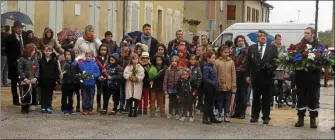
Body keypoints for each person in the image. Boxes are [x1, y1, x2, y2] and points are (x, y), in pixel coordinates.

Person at [244, 30, 278, 124]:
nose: (262, 37)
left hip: (267, 76)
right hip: (256, 77)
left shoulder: (272, 48)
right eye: (260, 36)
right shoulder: (252, 48)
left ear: (266, 38)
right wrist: (247, 75)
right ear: (257, 38)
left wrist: (272, 67)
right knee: (255, 97)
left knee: (266, 98)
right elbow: (248, 63)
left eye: (264, 36)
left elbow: (276, 61)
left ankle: (266, 117)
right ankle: (254, 116)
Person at [294, 27, 322, 128]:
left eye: (308, 33)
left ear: (313, 34)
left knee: (313, 98)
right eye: (305, 33)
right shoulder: (298, 45)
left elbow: (322, 60)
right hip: (301, 77)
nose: (305, 34)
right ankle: (300, 119)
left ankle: (312, 120)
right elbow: (294, 59)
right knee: (300, 98)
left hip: (313, 77)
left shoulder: (319, 46)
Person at [5, 21, 28, 106]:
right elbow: (7, 51)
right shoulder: (10, 38)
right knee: (14, 82)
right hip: (13, 63)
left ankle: (24, 98)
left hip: (23, 63)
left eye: (21, 27)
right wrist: (13, 60)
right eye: (18, 27)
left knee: (23, 81)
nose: (20, 29)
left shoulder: (24, 37)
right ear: (14, 28)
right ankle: (15, 100)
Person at [214, 46, 236, 122]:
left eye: (228, 52)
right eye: (225, 52)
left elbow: (233, 73)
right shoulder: (216, 62)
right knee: (220, 100)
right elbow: (215, 74)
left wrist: (233, 84)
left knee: (227, 100)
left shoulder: (231, 62)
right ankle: (220, 113)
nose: (227, 54)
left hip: (228, 85)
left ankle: (226, 113)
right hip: (220, 85)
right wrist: (216, 83)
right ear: (221, 52)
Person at [17, 44, 39, 113]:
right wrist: (25, 79)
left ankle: (33, 104)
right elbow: (20, 70)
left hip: (33, 80)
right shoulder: (22, 59)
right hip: (25, 80)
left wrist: (35, 78)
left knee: (34, 92)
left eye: (34, 51)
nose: (33, 52)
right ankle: (24, 107)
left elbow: (37, 69)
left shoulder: (35, 60)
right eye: (32, 50)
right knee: (26, 93)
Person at [231, 35, 249, 119]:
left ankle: (242, 112)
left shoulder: (246, 50)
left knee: (243, 94)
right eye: (238, 41)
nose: (240, 42)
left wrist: (236, 70)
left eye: (242, 40)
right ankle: (236, 112)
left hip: (243, 74)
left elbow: (244, 63)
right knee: (236, 94)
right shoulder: (234, 50)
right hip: (235, 74)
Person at [78, 51, 101, 115]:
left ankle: (90, 109)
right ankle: (85, 109)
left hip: (92, 84)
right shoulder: (82, 64)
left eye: (90, 56)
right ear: (85, 56)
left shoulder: (95, 64)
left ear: (92, 57)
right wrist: (81, 76)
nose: (88, 58)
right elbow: (80, 72)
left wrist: (94, 76)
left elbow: (98, 73)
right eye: (87, 56)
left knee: (91, 97)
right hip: (84, 84)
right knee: (84, 97)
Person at [39, 47, 60, 114]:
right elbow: (39, 71)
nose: (47, 52)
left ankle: (48, 106)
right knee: (43, 94)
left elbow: (56, 71)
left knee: (49, 94)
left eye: (49, 51)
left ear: (51, 52)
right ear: (44, 52)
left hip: (51, 81)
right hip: (42, 80)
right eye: (46, 51)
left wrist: (56, 79)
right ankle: (43, 106)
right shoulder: (40, 61)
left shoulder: (54, 61)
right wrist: (39, 78)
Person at [202, 52, 221, 124]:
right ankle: (205, 118)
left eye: (214, 58)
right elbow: (205, 78)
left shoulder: (212, 67)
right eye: (213, 58)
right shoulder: (206, 67)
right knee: (207, 103)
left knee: (211, 103)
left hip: (213, 87)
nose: (214, 59)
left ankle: (212, 117)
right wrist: (213, 83)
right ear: (208, 59)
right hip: (208, 87)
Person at [123, 53, 145, 117]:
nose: (135, 60)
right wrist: (130, 76)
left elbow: (142, 74)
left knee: (136, 98)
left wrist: (137, 78)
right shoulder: (128, 67)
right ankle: (130, 111)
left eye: (136, 59)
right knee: (130, 97)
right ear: (131, 60)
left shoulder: (140, 67)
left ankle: (135, 111)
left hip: (137, 84)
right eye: (133, 59)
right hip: (130, 83)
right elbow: (125, 73)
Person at [151, 52, 168, 117]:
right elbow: (150, 76)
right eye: (157, 60)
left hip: (161, 85)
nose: (158, 61)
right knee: (152, 99)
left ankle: (162, 112)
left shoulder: (165, 67)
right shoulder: (152, 67)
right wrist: (151, 80)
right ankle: (152, 112)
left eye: (160, 60)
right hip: (154, 85)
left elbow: (166, 77)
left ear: (162, 60)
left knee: (161, 100)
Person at [60, 49, 77, 115]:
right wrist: (60, 76)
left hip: (72, 82)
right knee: (64, 96)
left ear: (72, 55)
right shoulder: (63, 63)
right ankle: (64, 108)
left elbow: (77, 72)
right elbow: (60, 71)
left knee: (71, 96)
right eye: (66, 55)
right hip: (65, 82)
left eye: (69, 54)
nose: (67, 56)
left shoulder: (75, 63)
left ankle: (70, 108)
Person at [96, 44, 110, 112]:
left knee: (106, 92)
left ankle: (105, 106)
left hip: (106, 77)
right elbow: (96, 68)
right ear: (99, 50)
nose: (103, 51)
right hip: (99, 77)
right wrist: (99, 75)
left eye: (105, 50)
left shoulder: (109, 58)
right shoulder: (97, 58)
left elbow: (110, 67)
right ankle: (98, 105)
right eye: (102, 50)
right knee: (99, 92)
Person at [139, 51, 153, 115]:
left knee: (146, 96)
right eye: (143, 58)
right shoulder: (138, 65)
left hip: (146, 83)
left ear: (148, 59)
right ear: (141, 58)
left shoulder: (150, 66)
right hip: (139, 83)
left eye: (146, 58)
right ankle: (139, 108)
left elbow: (152, 74)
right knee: (139, 96)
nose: (145, 59)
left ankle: (145, 109)